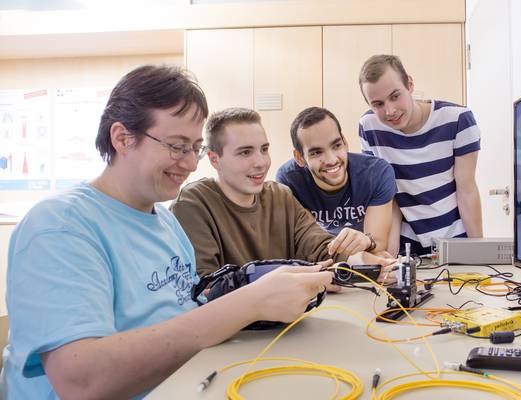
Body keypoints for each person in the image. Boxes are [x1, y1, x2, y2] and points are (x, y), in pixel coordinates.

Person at [1, 65, 333, 400]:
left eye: (195, 148)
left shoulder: (165, 222)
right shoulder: (60, 227)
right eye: (177, 146)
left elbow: (188, 312)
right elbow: (80, 381)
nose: (190, 163)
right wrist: (250, 302)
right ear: (122, 138)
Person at [170, 107, 393, 278]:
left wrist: (368, 262)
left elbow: (320, 246)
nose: (260, 162)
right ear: (214, 159)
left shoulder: (280, 195)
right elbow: (204, 284)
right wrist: (287, 280)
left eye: (264, 149)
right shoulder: (192, 204)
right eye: (245, 152)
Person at [357, 54, 483, 255]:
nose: (390, 111)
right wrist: (388, 251)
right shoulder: (369, 127)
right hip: (408, 242)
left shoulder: (458, 119)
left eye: (395, 96)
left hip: (454, 238)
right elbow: (388, 194)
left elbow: (466, 189)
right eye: (378, 104)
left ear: (410, 84)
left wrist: (479, 253)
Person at [276, 107, 397, 256]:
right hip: (325, 259)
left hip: (363, 257)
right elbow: (308, 245)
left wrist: (367, 241)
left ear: (345, 142)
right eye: (316, 153)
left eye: (336, 145)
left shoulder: (377, 172)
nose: (332, 160)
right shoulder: (289, 180)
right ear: (300, 158)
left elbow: (377, 244)